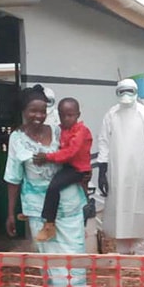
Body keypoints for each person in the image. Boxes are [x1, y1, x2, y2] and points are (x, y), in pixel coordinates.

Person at [4, 84, 88, 287]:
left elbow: (77, 156)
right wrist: (11, 213)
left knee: (72, 252)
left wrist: (86, 180)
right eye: (33, 111)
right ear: (23, 110)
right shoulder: (17, 139)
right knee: (47, 254)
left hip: (69, 203)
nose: (38, 116)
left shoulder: (59, 130)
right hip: (36, 207)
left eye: (42, 111)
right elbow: (13, 178)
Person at [97, 78, 144, 255]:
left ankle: (141, 254)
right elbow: (104, 144)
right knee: (120, 211)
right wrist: (102, 173)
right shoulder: (111, 115)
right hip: (117, 173)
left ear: (136, 92)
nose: (126, 95)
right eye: (122, 91)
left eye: (129, 91)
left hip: (141, 173)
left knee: (142, 210)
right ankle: (123, 253)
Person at [33, 97, 93, 242]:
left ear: (78, 115)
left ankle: (49, 223)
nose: (66, 118)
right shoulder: (61, 129)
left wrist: (47, 157)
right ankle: (32, 212)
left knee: (54, 186)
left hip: (78, 169)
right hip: (69, 166)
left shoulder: (81, 131)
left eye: (70, 115)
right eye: (62, 115)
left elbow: (70, 152)